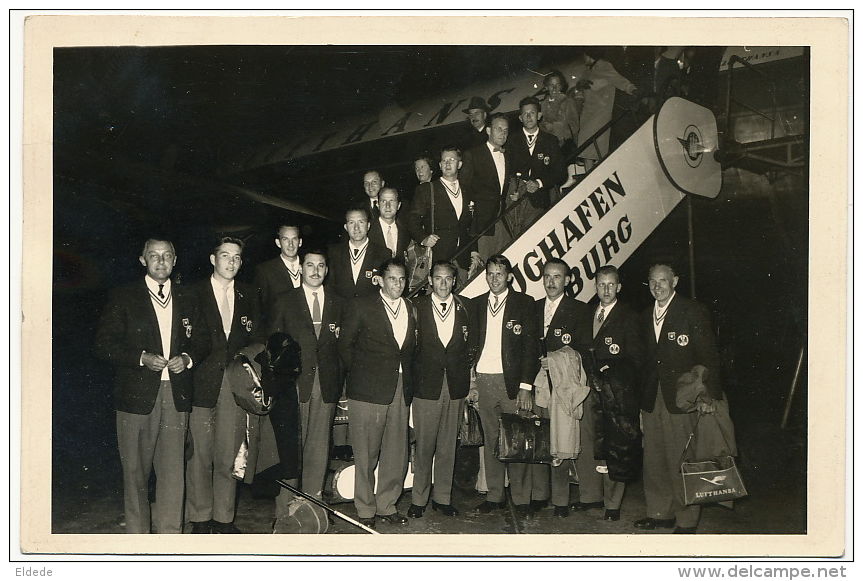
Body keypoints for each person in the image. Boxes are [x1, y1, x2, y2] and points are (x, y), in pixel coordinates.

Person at [94, 238, 210, 533]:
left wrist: (188, 357)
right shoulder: (124, 296)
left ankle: (170, 540)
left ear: (175, 260)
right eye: (154, 256)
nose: (161, 261)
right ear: (142, 260)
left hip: (176, 395)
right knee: (135, 474)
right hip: (135, 398)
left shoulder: (188, 297)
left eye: (167, 255)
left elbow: (203, 341)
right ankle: (138, 541)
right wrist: (141, 357)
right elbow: (103, 344)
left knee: (174, 474)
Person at [635, 262, 722, 534]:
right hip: (652, 396)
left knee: (682, 457)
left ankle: (686, 519)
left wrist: (707, 395)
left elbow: (708, 356)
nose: (657, 286)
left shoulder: (692, 311)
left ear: (674, 281)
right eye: (652, 281)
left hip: (682, 397)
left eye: (662, 281)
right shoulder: (645, 314)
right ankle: (660, 513)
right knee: (654, 457)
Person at [185, 237, 262, 534]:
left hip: (234, 386)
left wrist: (247, 362)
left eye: (237, 257)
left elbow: (259, 337)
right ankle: (201, 518)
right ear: (212, 259)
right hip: (201, 383)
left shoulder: (249, 293)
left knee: (230, 453)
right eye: (225, 256)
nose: (231, 262)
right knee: (200, 454)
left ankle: (223, 518)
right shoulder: (192, 293)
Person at [338, 258, 417, 529]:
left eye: (402, 279)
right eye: (392, 278)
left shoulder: (411, 308)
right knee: (366, 454)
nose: (398, 283)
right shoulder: (361, 305)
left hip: (400, 387)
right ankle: (365, 508)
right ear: (380, 280)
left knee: (396, 452)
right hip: (367, 391)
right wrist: (363, 376)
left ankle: (387, 505)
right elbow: (345, 347)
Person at [267, 248, 345, 502]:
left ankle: (313, 503)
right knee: (291, 447)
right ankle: (287, 505)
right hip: (294, 386)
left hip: (326, 384)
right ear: (301, 268)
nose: (315, 271)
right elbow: (273, 346)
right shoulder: (285, 300)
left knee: (319, 446)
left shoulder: (338, 302)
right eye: (310, 265)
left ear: (327, 270)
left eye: (320, 265)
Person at [468, 255, 540, 517]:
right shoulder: (476, 305)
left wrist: (525, 386)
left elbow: (531, 348)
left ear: (509, 276)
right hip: (485, 380)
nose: (494, 279)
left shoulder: (524, 303)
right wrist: (473, 380)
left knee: (517, 441)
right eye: (490, 274)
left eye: (499, 274)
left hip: (512, 383)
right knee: (491, 442)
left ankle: (522, 500)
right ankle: (495, 495)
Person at [575, 264, 643, 522]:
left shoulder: (628, 316)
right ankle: (592, 496)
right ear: (595, 286)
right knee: (591, 443)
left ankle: (613, 504)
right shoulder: (587, 313)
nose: (606, 289)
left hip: (616, 394)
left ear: (619, 287)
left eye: (611, 284)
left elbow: (636, 358)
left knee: (616, 446)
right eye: (601, 284)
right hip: (590, 392)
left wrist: (610, 371)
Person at [408, 261, 473, 519]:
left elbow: (472, 345)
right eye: (438, 278)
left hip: (455, 385)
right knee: (424, 445)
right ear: (430, 281)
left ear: (454, 281)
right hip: (426, 386)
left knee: (448, 445)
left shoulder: (465, 306)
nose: (443, 283)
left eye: (448, 279)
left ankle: (442, 498)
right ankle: (419, 498)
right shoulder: (417, 307)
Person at [531, 258, 592, 517]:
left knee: (561, 439)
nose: (551, 282)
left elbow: (583, 350)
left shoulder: (579, 310)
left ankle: (560, 500)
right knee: (540, 437)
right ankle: (539, 495)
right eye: (546, 276)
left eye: (557, 277)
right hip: (539, 384)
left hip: (563, 386)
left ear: (567, 280)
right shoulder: (533, 308)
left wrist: (556, 360)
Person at [406, 146, 480, 285]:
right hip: (438, 257)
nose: (447, 163)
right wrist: (423, 238)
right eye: (444, 160)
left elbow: (472, 225)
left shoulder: (468, 190)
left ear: (460, 164)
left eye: (452, 160)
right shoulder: (427, 189)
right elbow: (412, 221)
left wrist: (474, 252)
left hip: (463, 257)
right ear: (440, 165)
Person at [571, 48, 638, 170]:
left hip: (600, 114)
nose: (583, 58)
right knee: (587, 148)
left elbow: (618, 80)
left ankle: (598, 172)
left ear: (589, 54)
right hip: (587, 114)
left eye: (584, 55)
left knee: (594, 145)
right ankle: (589, 173)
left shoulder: (604, 65)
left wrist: (632, 89)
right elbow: (580, 87)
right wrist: (579, 87)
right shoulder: (587, 70)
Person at [507, 96, 566, 232]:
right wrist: (513, 189)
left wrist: (539, 183)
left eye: (532, 113)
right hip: (516, 203)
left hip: (541, 202)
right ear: (520, 118)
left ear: (539, 115)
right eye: (525, 114)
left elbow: (561, 172)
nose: (528, 117)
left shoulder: (550, 141)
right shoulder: (511, 141)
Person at [460, 113, 513, 260]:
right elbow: (463, 190)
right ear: (488, 130)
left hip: (503, 220)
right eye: (498, 129)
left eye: (506, 130)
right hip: (481, 224)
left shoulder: (507, 155)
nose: (503, 133)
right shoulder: (473, 154)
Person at [326, 207, 392, 301]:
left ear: (368, 225)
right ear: (346, 227)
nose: (356, 227)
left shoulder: (383, 253)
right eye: (351, 222)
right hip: (341, 312)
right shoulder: (334, 252)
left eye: (361, 222)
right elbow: (329, 287)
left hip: (370, 311)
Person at [253, 224, 302, 326]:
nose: (291, 244)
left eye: (294, 239)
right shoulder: (265, 270)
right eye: (285, 239)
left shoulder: (310, 266)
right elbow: (259, 308)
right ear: (278, 243)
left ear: (300, 242)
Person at [368, 187, 412, 259]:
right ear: (377, 205)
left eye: (391, 201)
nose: (387, 206)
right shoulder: (368, 230)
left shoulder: (406, 230)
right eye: (383, 201)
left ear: (398, 205)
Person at [540, 70, 580, 148]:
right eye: (551, 85)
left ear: (561, 86)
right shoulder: (543, 104)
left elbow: (575, 126)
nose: (554, 88)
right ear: (546, 87)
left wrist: (554, 127)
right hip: (550, 145)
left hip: (565, 145)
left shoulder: (568, 102)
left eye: (557, 85)